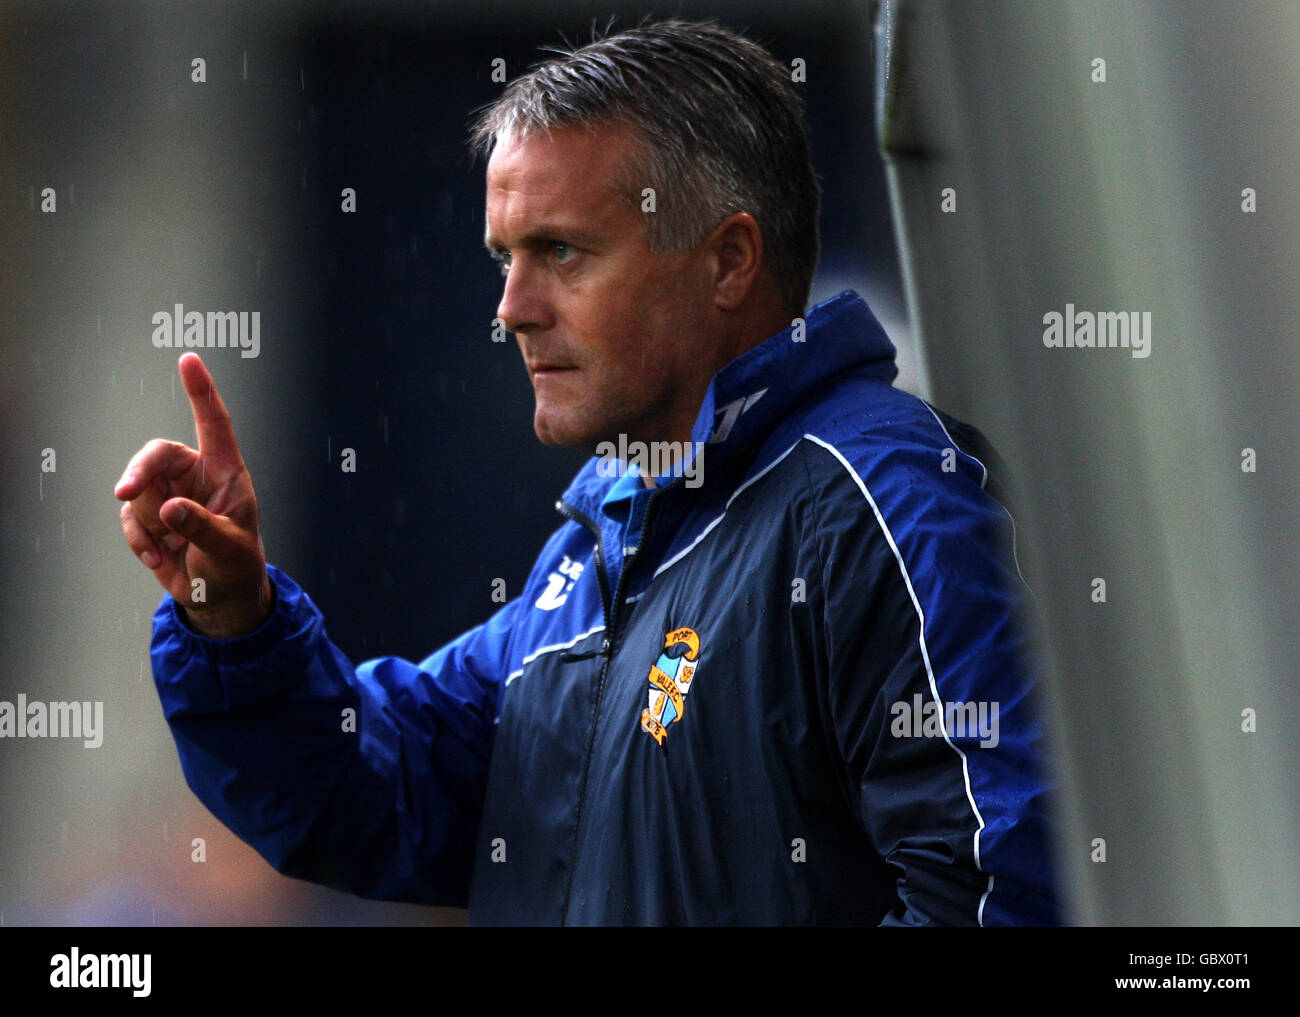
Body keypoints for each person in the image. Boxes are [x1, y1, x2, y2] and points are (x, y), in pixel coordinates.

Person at [116, 19, 1061, 925]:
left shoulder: (882, 505)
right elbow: (370, 788)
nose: (512, 309)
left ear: (728, 259)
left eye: (560, 252)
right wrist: (233, 621)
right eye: (503, 258)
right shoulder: (599, 550)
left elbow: (998, 893)